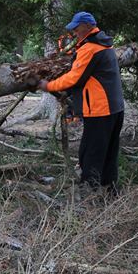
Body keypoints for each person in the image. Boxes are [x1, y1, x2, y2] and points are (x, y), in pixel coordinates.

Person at [38, 12, 124, 191]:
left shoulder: (90, 48)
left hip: (100, 110)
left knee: (91, 153)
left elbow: (74, 78)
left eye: (77, 28)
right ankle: (110, 191)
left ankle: (90, 194)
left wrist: (49, 86)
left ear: (87, 26)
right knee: (108, 152)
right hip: (115, 108)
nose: (74, 31)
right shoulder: (104, 43)